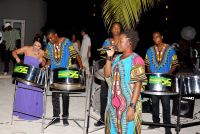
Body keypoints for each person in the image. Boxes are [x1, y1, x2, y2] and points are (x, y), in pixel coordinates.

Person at [104, 30, 147, 134]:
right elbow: (107, 75)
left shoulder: (137, 59)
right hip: (113, 104)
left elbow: (138, 84)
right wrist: (109, 57)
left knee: (128, 130)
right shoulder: (116, 58)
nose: (117, 43)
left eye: (120, 40)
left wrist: (132, 107)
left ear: (130, 42)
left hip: (128, 104)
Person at [44, 29, 83, 126]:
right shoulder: (49, 45)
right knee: (55, 96)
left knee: (65, 95)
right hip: (54, 72)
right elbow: (48, 59)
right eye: (49, 38)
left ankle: (65, 117)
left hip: (65, 72)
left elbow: (75, 54)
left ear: (56, 35)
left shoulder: (66, 42)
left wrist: (81, 66)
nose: (50, 39)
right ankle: (56, 117)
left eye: (51, 37)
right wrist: (46, 65)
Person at [145, 31, 179, 134]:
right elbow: (147, 64)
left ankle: (167, 125)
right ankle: (156, 122)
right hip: (154, 79)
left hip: (165, 79)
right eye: (154, 37)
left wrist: (167, 74)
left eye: (157, 37)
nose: (156, 39)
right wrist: (151, 74)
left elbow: (175, 64)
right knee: (154, 102)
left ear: (162, 37)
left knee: (166, 103)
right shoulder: (150, 50)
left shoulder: (170, 50)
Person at [94, 22, 123, 127]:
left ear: (120, 30)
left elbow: (127, 52)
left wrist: (117, 49)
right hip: (107, 69)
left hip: (120, 71)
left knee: (118, 95)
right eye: (114, 28)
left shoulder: (124, 41)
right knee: (103, 95)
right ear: (111, 30)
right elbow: (102, 53)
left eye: (118, 28)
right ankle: (102, 118)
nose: (116, 30)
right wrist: (109, 50)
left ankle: (116, 118)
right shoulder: (107, 41)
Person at [12, 35, 45, 120]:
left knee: (33, 95)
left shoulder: (42, 52)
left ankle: (32, 113)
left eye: (39, 46)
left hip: (34, 76)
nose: (37, 47)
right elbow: (14, 52)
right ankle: (22, 111)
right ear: (33, 43)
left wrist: (43, 62)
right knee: (24, 94)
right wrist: (17, 58)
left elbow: (45, 62)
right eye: (35, 45)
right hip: (25, 74)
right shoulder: (26, 48)